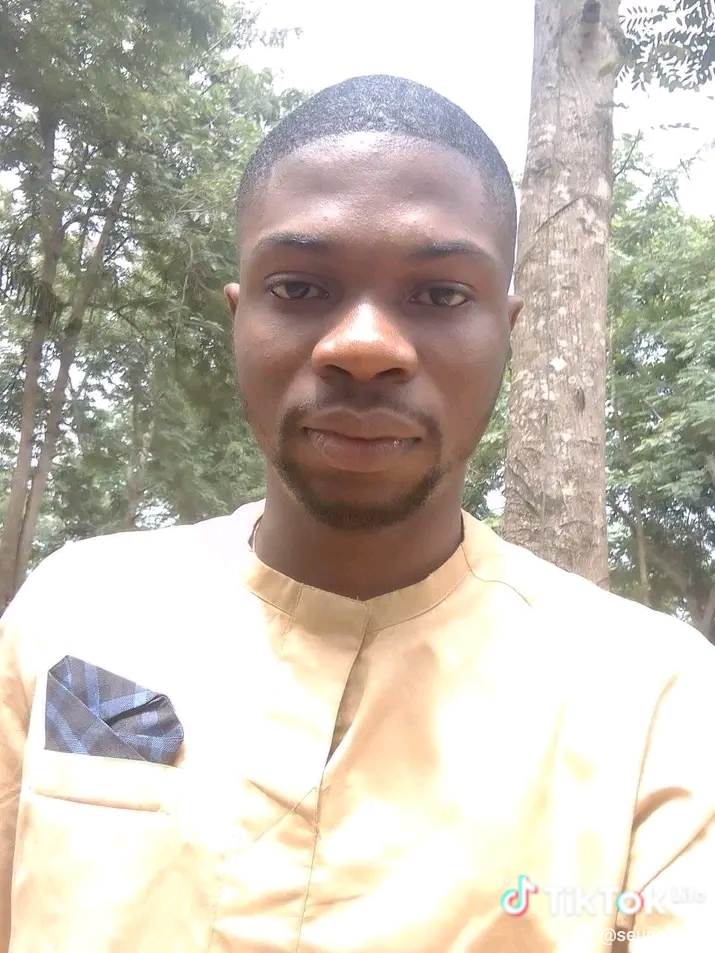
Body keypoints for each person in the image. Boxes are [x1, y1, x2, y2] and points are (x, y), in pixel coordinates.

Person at [0, 75, 712, 953]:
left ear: (506, 330)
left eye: (440, 295)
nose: (364, 347)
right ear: (239, 318)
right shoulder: (76, 607)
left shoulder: (652, 700)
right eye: (300, 288)